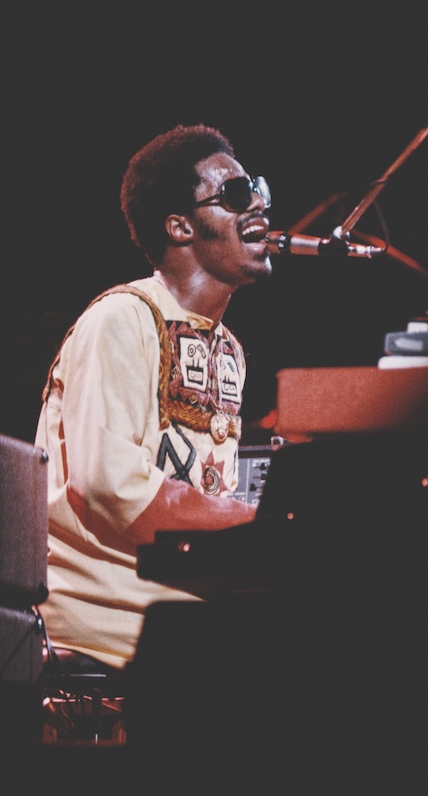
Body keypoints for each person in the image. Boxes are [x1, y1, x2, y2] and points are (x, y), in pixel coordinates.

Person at [35, 124, 273, 670]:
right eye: (235, 194)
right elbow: (109, 487)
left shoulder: (230, 350)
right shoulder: (121, 318)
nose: (258, 203)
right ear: (179, 226)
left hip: (182, 623)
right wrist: (260, 524)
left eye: (258, 188)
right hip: (107, 629)